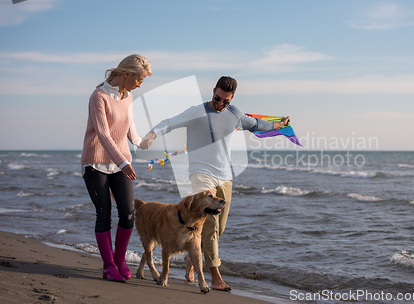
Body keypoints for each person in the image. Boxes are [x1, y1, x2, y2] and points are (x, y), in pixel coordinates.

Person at [141, 76, 289, 291]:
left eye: (225, 101)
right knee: (209, 227)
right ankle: (215, 277)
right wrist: (151, 134)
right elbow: (170, 122)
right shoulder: (197, 112)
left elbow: (257, 125)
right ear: (213, 91)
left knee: (219, 228)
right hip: (201, 175)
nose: (220, 104)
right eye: (217, 99)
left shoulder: (234, 114)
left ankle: (192, 260)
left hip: (224, 177)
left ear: (232, 99)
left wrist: (280, 124)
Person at [81, 54, 152, 282]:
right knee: (104, 214)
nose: (139, 85)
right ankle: (108, 265)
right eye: (138, 80)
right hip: (96, 163)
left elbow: (130, 129)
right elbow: (103, 134)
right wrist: (123, 163)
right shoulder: (98, 96)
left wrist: (141, 141)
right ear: (126, 74)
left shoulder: (128, 96)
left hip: (120, 163)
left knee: (128, 214)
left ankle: (120, 260)